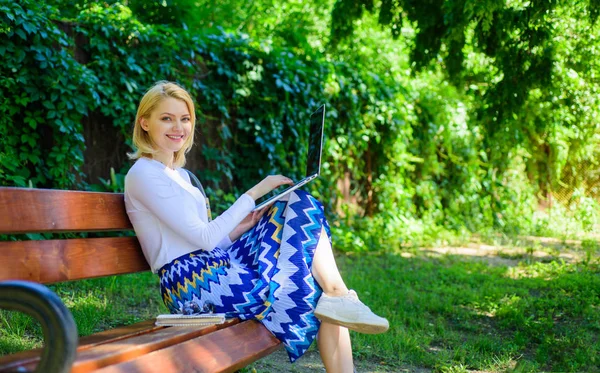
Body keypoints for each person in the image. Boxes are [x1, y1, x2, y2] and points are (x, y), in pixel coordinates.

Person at [124, 81, 389, 373]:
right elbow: (204, 238)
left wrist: (242, 226)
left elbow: (207, 241)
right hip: (192, 284)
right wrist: (252, 194)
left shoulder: (181, 176)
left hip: (216, 264)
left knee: (294, 203)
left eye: (184, 119)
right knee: (315, 292)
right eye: (167, 118)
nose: (178, 127)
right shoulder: (143, 174)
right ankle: (339, 296)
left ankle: (338, 294)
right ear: (145, 122)